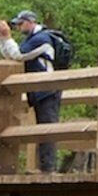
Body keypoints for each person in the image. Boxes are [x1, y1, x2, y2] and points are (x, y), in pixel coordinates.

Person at [13, 10, 76, 170]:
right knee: (43, 128)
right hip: (40, 90)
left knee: (47, 127)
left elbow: (18, 54)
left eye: (21, 23)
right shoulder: (33, 39)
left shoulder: (41, 39)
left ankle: (48, 168)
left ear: (31, 21)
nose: (19, 27)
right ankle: (45, 166)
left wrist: (5, 38)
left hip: (48, 89)